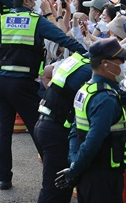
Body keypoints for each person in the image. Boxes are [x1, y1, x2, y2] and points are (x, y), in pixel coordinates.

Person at [0, 0, 87, 191]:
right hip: (23, 85)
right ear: (26, 1)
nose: (38, 1)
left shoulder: (4, 20)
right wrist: (88, 55)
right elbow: (63, 39)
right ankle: (55, 179)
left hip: (1, 83)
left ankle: (3, 178)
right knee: (40, 130)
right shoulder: (35, 22)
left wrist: (1, 73)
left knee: (4, 132)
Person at [56, 38, 126, 202]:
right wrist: (75, 168)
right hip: (102, 176)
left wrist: (75, 163)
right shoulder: (105, 99)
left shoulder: (86, 89)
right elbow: (93, 140)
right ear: (105, 64)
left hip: (90, 172)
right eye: (121, 60)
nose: (125, 64)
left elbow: (74, 130)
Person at [34, 52, 93, 203]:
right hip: (55, 130)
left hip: (46, 124)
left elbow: (47, 73)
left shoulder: (75, 60)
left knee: (60, 187)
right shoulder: (88, 72)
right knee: (54, 190)